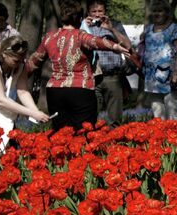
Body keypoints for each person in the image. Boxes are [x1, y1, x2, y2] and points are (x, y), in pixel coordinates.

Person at [26, 0, 129, 130]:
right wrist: (114, 46)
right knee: (83, 133)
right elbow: (96, 41)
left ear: (61, 17)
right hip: (81, 90)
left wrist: (19, 76)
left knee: (60, 133)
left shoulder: (49, 37)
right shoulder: (81, 35)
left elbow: (34, 61)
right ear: (80, 18)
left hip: (55, 91)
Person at [85, 0, 132, 125]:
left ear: (105, 12)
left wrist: (111, 29)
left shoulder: (115, 24)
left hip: (112, 76)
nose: (97, 14)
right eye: (93, 11)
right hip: (92, 77)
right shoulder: (84, 26)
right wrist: (83, 26)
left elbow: (128, 46)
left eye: (100, 11)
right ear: (88, 12)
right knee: (90, 116)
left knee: (115, 118)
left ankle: (114, 142)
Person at [139, 0, 177, 121]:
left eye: (160, 11)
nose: (157, 13)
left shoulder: (174, 29)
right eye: (154, 11)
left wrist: (176, 73)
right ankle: (161, 139)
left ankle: (176, 138)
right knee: (157, 113)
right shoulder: (148, 29)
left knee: (172, 112)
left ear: (167, 13)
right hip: (151, 78)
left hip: (169, 77)